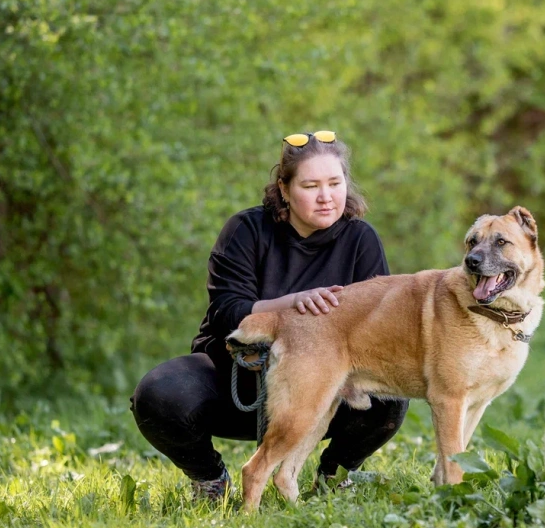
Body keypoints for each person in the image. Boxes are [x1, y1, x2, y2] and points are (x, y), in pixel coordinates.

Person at [130, 130, 409, 501]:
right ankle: (210, 479)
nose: (326, 197)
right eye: (311, 185)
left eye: (335, 183)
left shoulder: (361, 239)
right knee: (159, 394)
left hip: (319, 389)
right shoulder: (245, 230)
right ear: (284, 187)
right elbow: (226, 313)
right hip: (237, 382)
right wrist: (293, 302)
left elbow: (378, 327)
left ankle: (332, 475)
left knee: (389, 398)